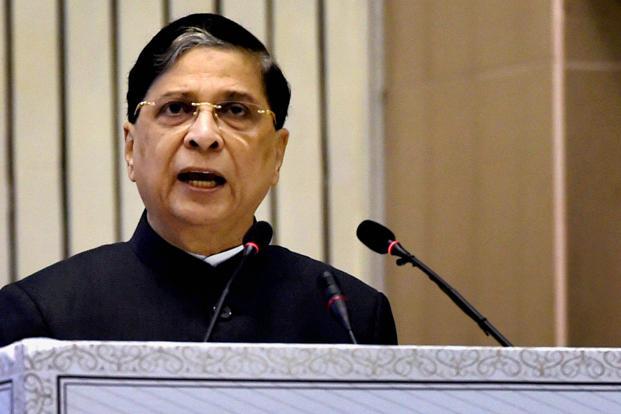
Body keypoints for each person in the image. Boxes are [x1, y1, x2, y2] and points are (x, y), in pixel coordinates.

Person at [0, 13, 397, 347]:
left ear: (276, 154)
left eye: (235, 110)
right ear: (131, 148)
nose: (204, 135)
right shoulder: (42, 317)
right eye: (176, 108)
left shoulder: (352, 320)